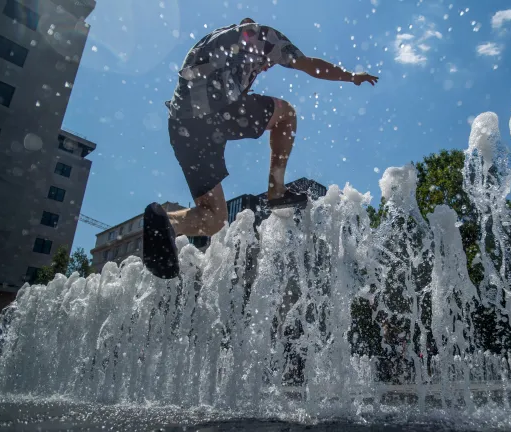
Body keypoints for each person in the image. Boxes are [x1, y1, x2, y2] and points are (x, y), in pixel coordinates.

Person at [143, 18, 379, 279]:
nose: (266, 67)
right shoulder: (260, 35)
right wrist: (351, 76)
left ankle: (165, 223)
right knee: (287, 114)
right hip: (214, 110)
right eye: (267, 64)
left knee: (214, 219)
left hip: (183, 127)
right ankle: (276, 190)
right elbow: (309, 65)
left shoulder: (209, 42)